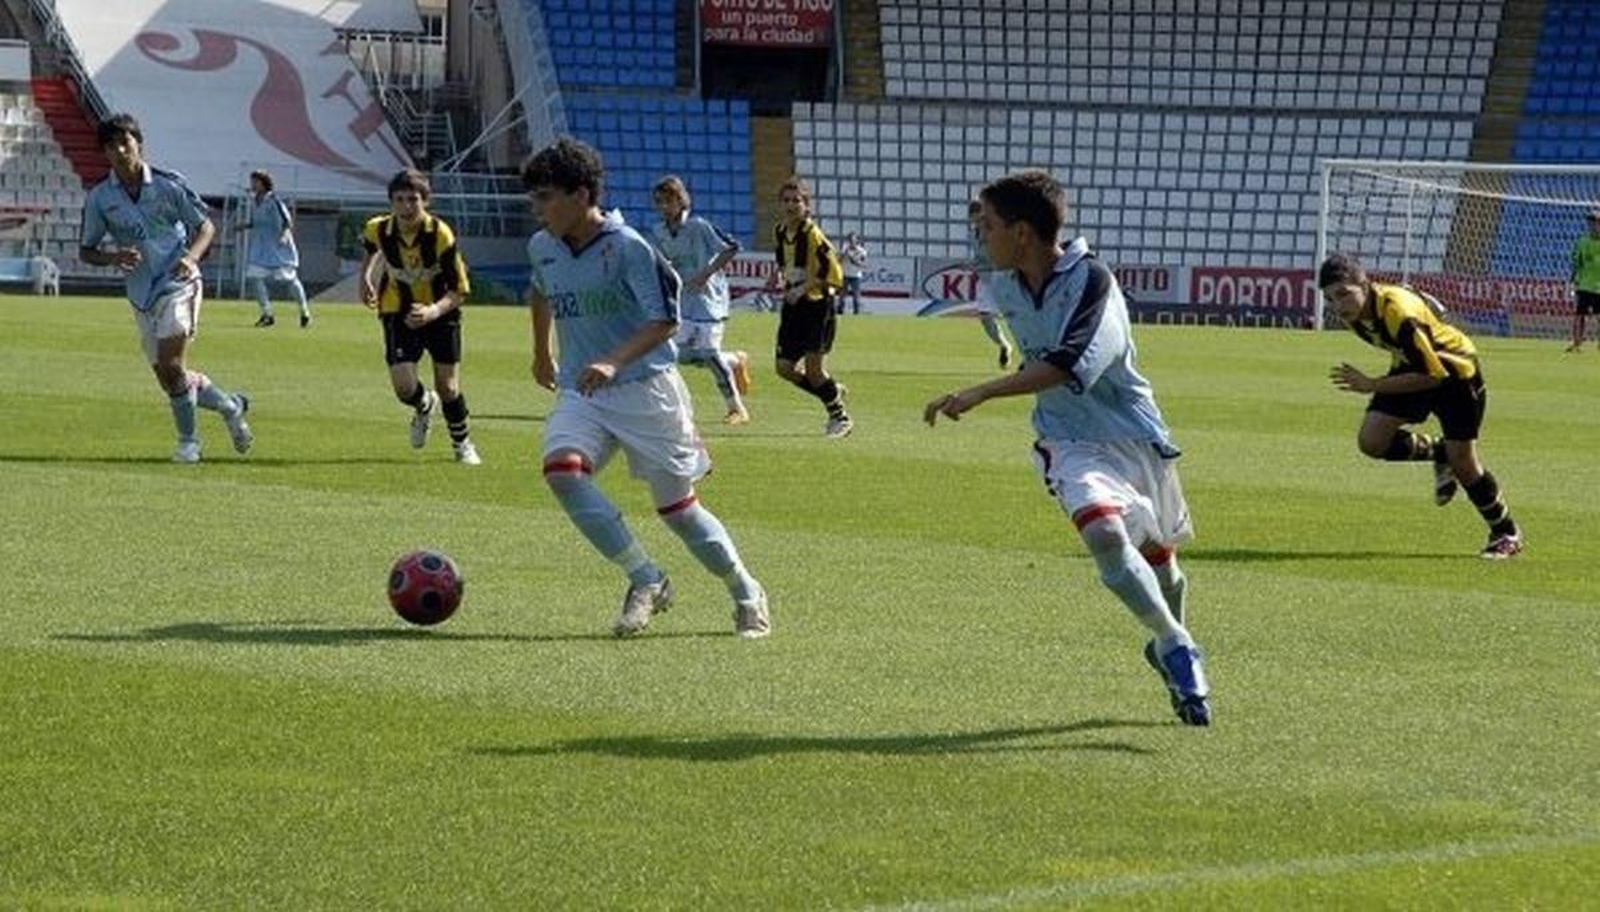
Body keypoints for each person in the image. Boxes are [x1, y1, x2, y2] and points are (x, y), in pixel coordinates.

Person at [923, 170, 1211, 726]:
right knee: (1104, 535)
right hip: (1068, 439)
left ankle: (1165, 641)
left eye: (988, 226)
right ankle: (1177, 644)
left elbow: (1069, 364)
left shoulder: (1093, 281)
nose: (980, 237)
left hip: (1134, 436)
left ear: (1022, 233)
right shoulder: (1005, 284)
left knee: (1164, 567)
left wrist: (980, 391)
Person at [523, 137, 769, 639]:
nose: (538, 209)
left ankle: (747, 592)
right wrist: (542, 351)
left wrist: (613, 361)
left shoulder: (629, 247)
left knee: (679, 512)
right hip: (583, 390)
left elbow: (666, 321)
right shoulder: (542, 246)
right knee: (562, 472)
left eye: (546, 197)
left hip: (648, 390)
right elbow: (540, 290)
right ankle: (646, 577)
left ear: (581, 194)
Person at [1320, 253, 1523, 559]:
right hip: (1414, 367)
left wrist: (1372, 384)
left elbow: (1433, 376)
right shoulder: (1356, 314)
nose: (1338, 305)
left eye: (1343, 294)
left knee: (1465, 464)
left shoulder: (1398, 313)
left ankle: (1506, 532)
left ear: (1365, 284)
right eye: (1330, 299)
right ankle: (1440, 452)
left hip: (1456, 375)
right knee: (1372, 441)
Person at [79, 112, 253, 464]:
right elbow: (87, 250)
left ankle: (189, 444)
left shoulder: (168, 185)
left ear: (139, 144)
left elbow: (205, 227)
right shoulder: (100, 197)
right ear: (104, 152)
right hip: (141, 294)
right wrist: (113, 257)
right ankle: (230, 406)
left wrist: (191, 257)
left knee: (172, 364)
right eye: (111, 146)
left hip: (179, 283)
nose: (119, 151)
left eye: (125, 142)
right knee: (169, 377)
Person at [359, 169, 480, 465]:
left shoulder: (439, 234)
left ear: (426, 201)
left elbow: (460, 290)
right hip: (396, 311)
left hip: (441, 311)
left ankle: (462, 444)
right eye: (399, 199)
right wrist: (365, 279)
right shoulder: (378, 229)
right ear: (391, 202)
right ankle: (424, 405)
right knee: (403, 388)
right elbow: (370, 250)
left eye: (413, 199)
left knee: (448, 387)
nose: (406, 206)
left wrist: (432, 311)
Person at [647, 175, 752, 425]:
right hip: (684, 300)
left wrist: (706, 273)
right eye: (659, 202)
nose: (663, 207)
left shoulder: (699, 226)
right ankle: (734, 360)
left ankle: (737, 408)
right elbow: (660, 260)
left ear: (680, 200)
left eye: (668, 201)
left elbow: (732, 247)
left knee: (708, 351)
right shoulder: (658, 231)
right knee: (680, 355)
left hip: (708, 300)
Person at [770, 176, 852, 438]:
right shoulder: (780, 232)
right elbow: (785, 263)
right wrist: (779, 278)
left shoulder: (813, 235)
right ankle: (831, 390)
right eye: (786, 200)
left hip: (817, 307)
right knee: (784, 368)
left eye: (797, 200)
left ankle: (840, 417)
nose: (791, 205)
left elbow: (833, 274)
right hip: (793, 307)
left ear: (806, 206)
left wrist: (802, 288)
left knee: (814, 371)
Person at [241, 169, 311, 328]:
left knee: (290, 280)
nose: (253, 184)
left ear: (264, 183)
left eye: (256, 181)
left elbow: (288, 222)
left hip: (279, 248)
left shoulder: (275, 201)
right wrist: (245, 226)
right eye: (252, 181)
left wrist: (285, 236)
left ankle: (304, 312)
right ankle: (267, 314)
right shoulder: (254, 201)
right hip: (260, 249)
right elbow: (257, 222)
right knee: (254, 277)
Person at [967, 198, 1016, 369]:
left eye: (979, 217)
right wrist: (974, 264)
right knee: (985, 316)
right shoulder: (973, 234)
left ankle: (1031, 355)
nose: (977, 221)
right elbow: (980, 256)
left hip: (1003, 276)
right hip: (986, 279)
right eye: (974, 218)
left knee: (1016, 316)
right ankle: (1004, 345)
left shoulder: (998, 230)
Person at [1567, 209, 1600, 352]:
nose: (1593, 225)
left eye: (1596, 222)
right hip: (1584, 285)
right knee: (1579, 315)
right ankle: (1576, 343)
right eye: (1591, 222)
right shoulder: (1582, 241)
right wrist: (1572, 280)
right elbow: (1576, 262)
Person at [841, 231, 867, 315]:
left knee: (856, 296)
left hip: (856, 276)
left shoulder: (862, 251)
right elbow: (839, 260)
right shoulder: (844, 249)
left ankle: (856, 312)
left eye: (852, 240)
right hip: (845, 275)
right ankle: (840, 310)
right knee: (842, 295)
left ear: (856, 240)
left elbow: (862, 264)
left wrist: (852, 259)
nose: (851, 242)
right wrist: (844, 254)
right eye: (849, 240)